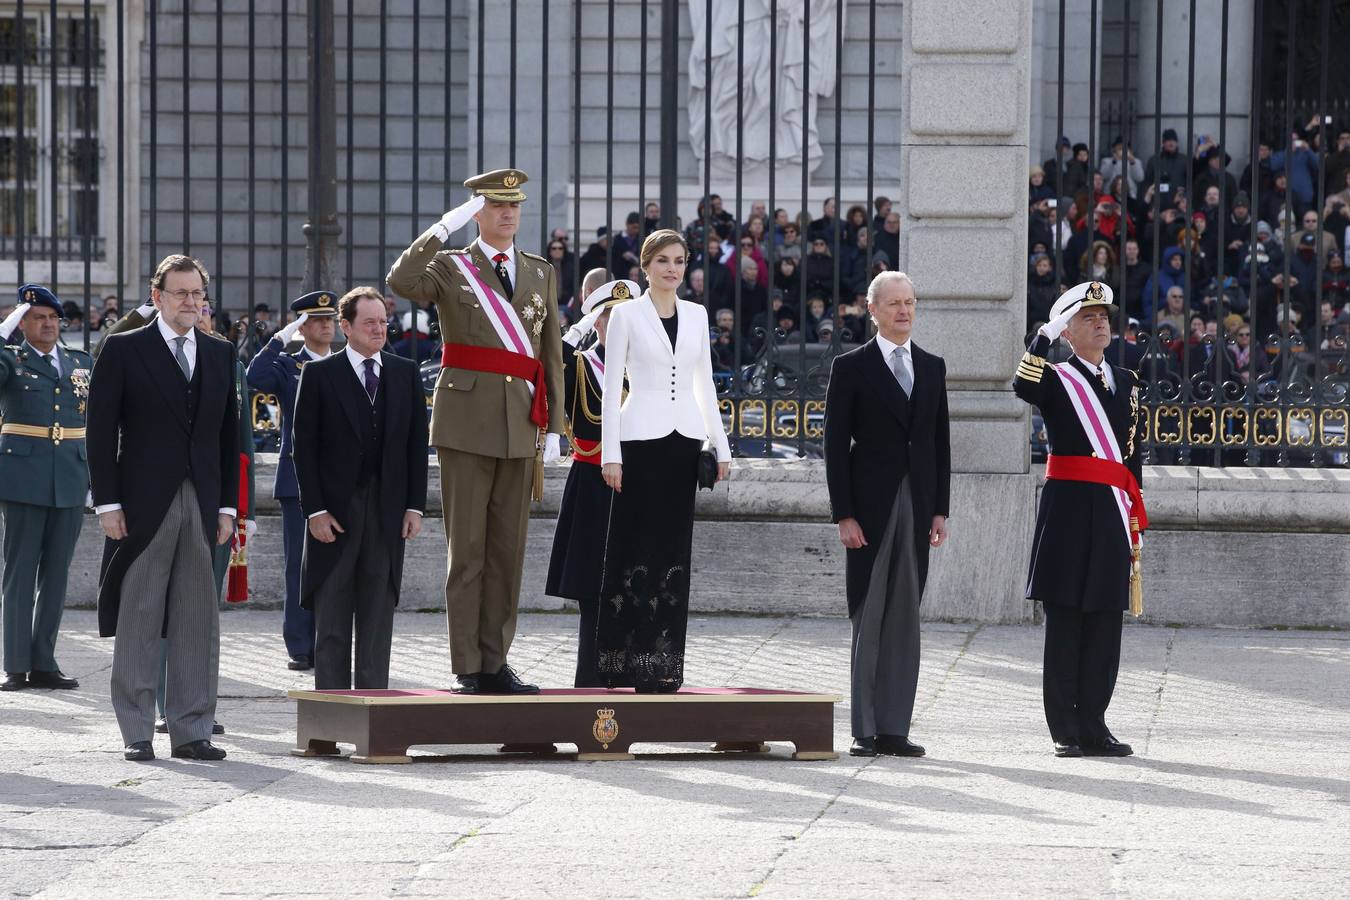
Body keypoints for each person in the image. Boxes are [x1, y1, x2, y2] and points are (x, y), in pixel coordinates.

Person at [386, 168, 565, 695]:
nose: (508, 214)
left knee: (507, 552)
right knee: (467, 551)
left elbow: (549, 354)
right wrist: (445, 226)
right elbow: (401, 281)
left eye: (515, 206)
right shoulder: (449, 266)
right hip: (466, 425)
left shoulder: (539, 273)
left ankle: (497, 660)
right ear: (476, 213)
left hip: (520, 424)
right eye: (495, 206)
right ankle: (468, 663)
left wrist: (554, 427)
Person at [87, 254, 240, 762]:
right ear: (157, 297)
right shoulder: (124, 349)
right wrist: (106, 502)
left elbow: (226, 438)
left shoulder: (220, 353)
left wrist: (228, 508)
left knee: (199, 616)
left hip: (201, 500)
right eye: (181, 294)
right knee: (140, 611)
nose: (192, 303)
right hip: (141, 502)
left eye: (198, 294)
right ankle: (137, 729)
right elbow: (101, 431)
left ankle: (193, 728)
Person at [1014, 281, 1147, 759]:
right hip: (1068, 511)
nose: (1100, 323)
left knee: (1105, 621)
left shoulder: (1128, 383)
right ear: (1069, 330)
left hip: (1111, 510)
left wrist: (1135, 511)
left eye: (1104, 316)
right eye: (1088, 317)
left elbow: (1132, 455)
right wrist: (1042, 338)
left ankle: (1095, 723)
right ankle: (1065, 728)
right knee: (1067, 619)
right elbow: (1022, 385)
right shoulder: (1056, 377)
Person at [823, 271, 951, 759]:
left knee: (904, 614)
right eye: (894, 303)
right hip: (870, 506)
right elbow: (835, 447)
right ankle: (866, 728)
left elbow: (939, 443)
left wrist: (940, 508)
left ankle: (895, 727)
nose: (904, 310)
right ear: (872, 309)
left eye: (910, 302)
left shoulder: (932, 367)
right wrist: (844, 514)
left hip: (917, 504)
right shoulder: (851, 367)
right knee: (869, 610)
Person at [597, 230, 731, 692]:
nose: (671, 269)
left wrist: (721, 445)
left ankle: (663, 665)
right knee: (635, 552)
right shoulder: (626, 316)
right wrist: (610, 455)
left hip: (683, 445)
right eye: (662, 261)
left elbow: (704, 384)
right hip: (638, 444)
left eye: (678, 261)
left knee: (673, 554)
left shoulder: (696, 315)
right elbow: (613, 386)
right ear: (645, 265)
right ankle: (624, 662)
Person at [291, 287, 428, 691]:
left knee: (377, 622)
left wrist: (414, 508)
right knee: (331, 622)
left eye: (384, 321)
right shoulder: (318, 375)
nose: (379, 329)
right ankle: (330, 719)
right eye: (369, 322)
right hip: (335, 515)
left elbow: (415, 447)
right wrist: (314, 511)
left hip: (387, 513)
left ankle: (374, 714)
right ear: (346, 326)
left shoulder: (404, 373)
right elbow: (305, 449)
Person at [546, 279, 638, 687]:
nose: (617, 324)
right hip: (592, 485)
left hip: (638, 487)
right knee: (594, 591)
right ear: (596, 323)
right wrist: (578, 328)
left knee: (636, 585)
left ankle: (631, 674)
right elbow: (548, 362)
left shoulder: (646, 369)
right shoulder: (581, 365)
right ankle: (590, 680)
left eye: (625, 317)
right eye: (608, 317)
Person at [0, 285, 91, 692]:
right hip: (23, 477)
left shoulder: (79, 362)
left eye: (53, 318)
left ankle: (44, 662)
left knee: (56, 576)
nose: (49, 324)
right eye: (38, 317)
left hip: (70, 476)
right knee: (20, 574)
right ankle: (15, 664)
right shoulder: (11, 361)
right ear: (22, 324)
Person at [245, 290, 339, 671]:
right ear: (302, 325)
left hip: (339, 479)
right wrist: (282, 337)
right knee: (297, 565)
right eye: (315, 320)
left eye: (330, 318)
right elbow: (254, 377)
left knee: (337, 565)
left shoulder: (346, 363)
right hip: (297, 477)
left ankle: (330, 639)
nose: (325, 325)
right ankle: (300, 644)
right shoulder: (288, 364)